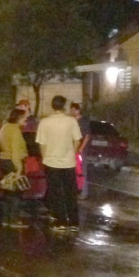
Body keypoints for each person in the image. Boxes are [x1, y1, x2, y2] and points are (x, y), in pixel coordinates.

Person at [36, 95, 82, 232]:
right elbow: (77, 140)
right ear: (64, 106)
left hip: (51, 162)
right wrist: (71, 154)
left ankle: (61, 221)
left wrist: (45, 158)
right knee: (70, 192)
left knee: (56, 193)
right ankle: (73, 222)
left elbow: (42, 143)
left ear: (52, 106)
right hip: (68, 162)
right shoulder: (71, 121)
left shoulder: (44, 122)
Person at [0, 108, 29, 229]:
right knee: (16, 192)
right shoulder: (15, 131)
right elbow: (16, 151)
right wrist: (19, 168)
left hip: (4, 161)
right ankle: (14, 220)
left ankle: (6, 219)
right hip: (12, 162)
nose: (26, 119)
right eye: (24, 117)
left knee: (8, 191)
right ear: (18, 118)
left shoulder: (4, 128)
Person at [69, 102, 91, 192]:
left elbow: (87, 136)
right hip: (72, 149)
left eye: (73, 110)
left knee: (82, 171)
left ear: (78, 110)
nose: (71, 112)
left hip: (81, 150)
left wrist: (81, 148)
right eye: (71, 110)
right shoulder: (71, 120)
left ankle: (84, 192)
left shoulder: (84, 121)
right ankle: (75, 190)